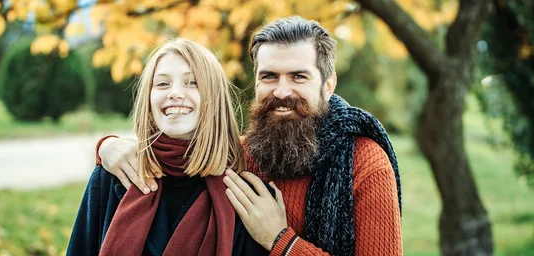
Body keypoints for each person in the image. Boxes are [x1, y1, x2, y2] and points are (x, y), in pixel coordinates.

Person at [96, 16, 403, 255]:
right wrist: (108, 147)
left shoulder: (363, 164)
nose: (282, 91)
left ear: (328, 84)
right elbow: (182, 152)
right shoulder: (241, 156)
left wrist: (281, 241)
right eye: (269, 76)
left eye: (298, 76)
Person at [67, 38, 270, 256]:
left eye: (192, 82)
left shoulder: (245, 194)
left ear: (214, 97)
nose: (174, 93)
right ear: (149, 98)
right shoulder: (113, 175)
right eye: (162, 83)